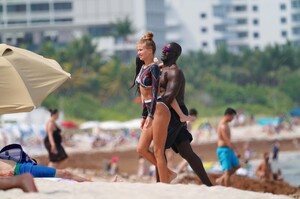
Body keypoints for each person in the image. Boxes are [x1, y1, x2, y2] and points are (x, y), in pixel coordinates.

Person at [131, 32, 191, 183]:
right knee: (141, 149)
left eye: (140, 50)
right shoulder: (145, 67)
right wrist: (144, 116)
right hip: (151, 110)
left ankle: (164, 185)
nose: (138, 52)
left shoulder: (154, 69)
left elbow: (155, 91)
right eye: (137, 50)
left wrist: (150, 116)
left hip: (159, 109)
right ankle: (169, 174)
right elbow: (144, 98)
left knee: (158, 151)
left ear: (150, 50)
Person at [158, 42, 213, 186]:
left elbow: (169, 96)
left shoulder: (175, 72)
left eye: (167, 50)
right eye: (163, 48)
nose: (163, 51)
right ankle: (209, 185)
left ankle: (161, 183)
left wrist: (151, 101)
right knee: (186, 152)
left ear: (175, 54)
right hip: (168, 113)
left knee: (158, 147)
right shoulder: (162, 69)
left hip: (174, 115)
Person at [0, 158, 89, 182]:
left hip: (21, 167)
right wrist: (4, 174)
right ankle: (89, 182)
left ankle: (88, 181)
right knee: (64, 173)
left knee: (64, 174)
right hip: (20, 170)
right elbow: (6, 173)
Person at [215, 107, 241, 187]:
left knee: (237, 165)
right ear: (228, 115)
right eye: (232, 116)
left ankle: (220, 180)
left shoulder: (226, 125)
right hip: (223, 150)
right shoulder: (223, 126)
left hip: (228, 149)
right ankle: (227, 188)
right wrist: (236, 151)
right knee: (227, 171)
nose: (233, 118)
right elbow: (226, 140)